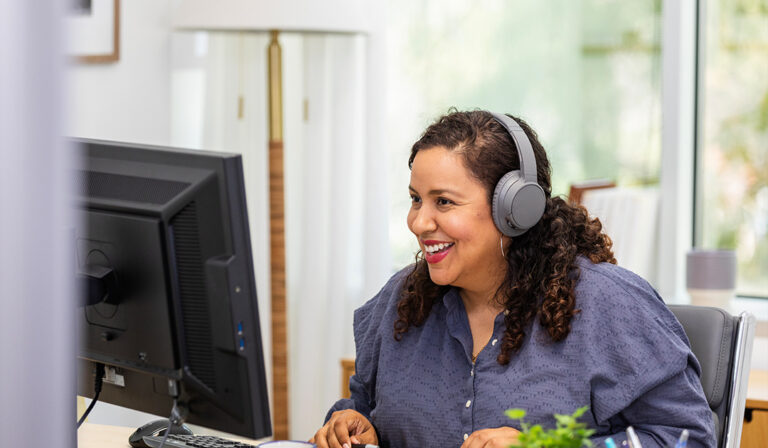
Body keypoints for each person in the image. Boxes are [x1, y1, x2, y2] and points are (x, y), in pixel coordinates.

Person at [310, 110, 716, 448]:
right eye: (416, 199)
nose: (418, 222)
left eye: (444, 202)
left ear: (515, 209)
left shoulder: (607, 304)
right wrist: (354, 424)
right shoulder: (402, 299)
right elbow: (364, 403)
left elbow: (685, 438)